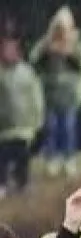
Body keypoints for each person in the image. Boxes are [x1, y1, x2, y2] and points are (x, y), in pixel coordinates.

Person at [28, 6, 81, 179]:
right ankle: (52, 159)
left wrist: (70, 52)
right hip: (49, 94)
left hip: (69, 95)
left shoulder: (76, 44)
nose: (60, 32)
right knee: (51, 127)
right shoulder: (46, 43)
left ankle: (69, 159)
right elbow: (33, 59)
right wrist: (47, 48)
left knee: (68, 127)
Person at [0, 33, 45, 196]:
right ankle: (3, 184)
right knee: (3, 158)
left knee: (22, 157)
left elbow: (36, 96)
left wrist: (38, 119)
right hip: (4, 129)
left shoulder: (26, 72)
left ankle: (22, 183)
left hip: (24, 127)